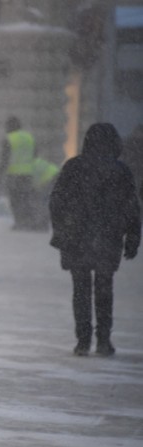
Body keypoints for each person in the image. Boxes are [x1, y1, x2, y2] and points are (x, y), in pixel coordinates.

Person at [49, 123, 141, 357]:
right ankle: (103, 340)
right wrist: (133, 237)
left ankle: (82, 340)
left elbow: (56, 201)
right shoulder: (120, 171)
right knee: (104, 288)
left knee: (80, 289)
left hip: (76, 236)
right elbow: (131, 207)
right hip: (108, 237)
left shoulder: (74, 167)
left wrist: (61, 230)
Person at [0, 116, 37, 230]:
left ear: (10, 126)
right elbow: (35, 154)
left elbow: (4, 158)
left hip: (14, 174)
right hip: (28, 174)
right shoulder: (29, 137)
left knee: (15, 199)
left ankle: (19, 222)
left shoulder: (9, 138)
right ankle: (27, 221)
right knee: (25, 198)